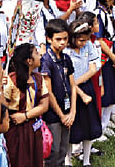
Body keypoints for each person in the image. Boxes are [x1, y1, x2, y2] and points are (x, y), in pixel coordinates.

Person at [3, 43, 49, 167]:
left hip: (33, 126)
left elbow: (44, 105)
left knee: (35, 160)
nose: (40, 54)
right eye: (36, 52)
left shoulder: (38, 78)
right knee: (18, 160)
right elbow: (3, 106)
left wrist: (25, 116)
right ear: (29, 61)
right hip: (15, 128)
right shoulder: (11, 80)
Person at [65, 17, 101, 167]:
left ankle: (86, 159)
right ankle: (67, 160)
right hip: (69, 91)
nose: (83, 43)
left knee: (89, 125)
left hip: (84, 87)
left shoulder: (88, 47)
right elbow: (65, 74)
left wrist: (75, 83)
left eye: (86, 40)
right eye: (80, 40)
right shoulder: (66, 51)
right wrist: (74, 86)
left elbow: (93, 68)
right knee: (70, 127)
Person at [40, 19, 76, 167]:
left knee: (63, 149)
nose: (63, 42)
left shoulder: (66, 58)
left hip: (68, 111)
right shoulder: (46, 61)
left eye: (65, 39)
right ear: (49, 39)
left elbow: (73, 85)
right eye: (58, 39)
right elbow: (48, 91)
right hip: (54, 114)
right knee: (53, 151)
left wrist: (72, 111)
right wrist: (62, 115)